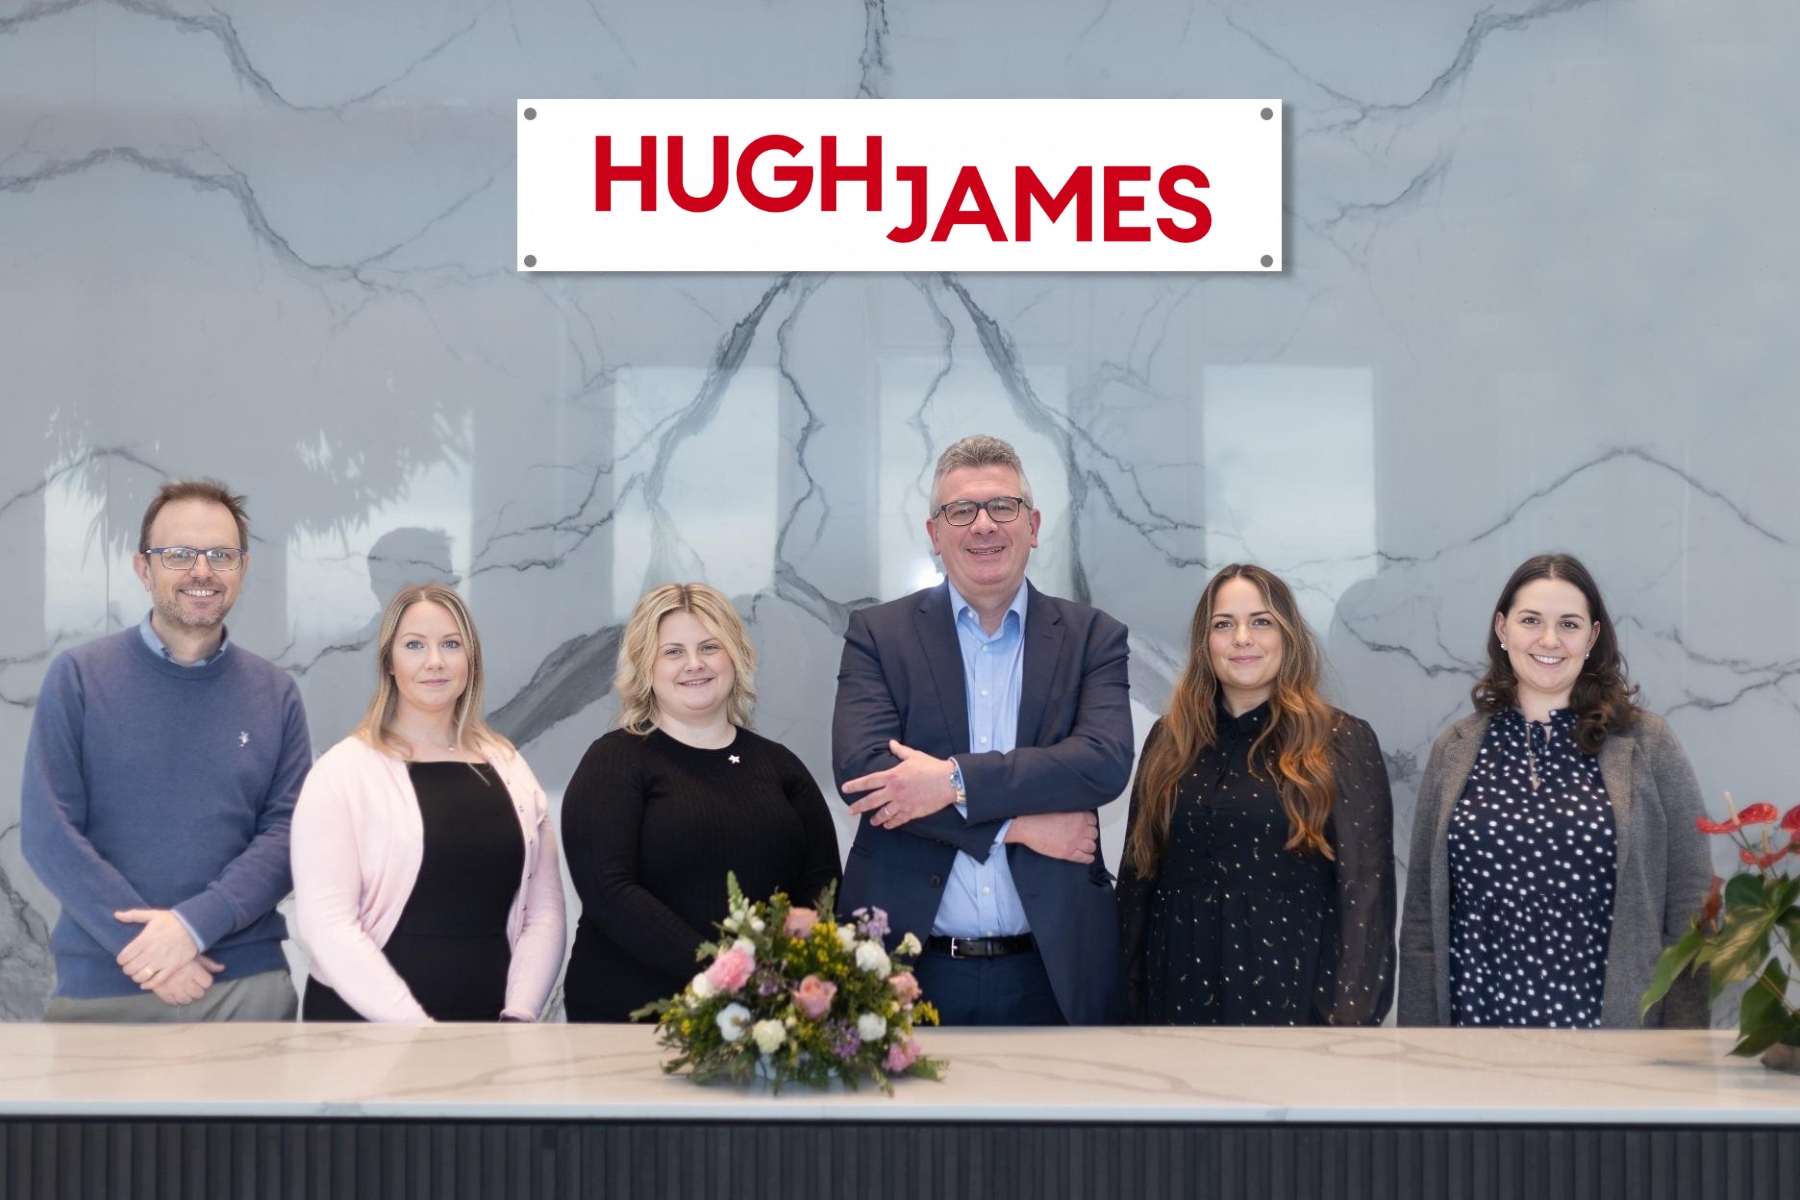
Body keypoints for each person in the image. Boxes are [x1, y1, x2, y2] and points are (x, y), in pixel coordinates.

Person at [832, 434, 1134, 1026]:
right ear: (935, 534)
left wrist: (949, 781)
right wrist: (1016, 826)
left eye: (1002, 507)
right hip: (906, 969)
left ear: (1033, 524)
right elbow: (867, 774)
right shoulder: (879, 635)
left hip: (1053, 970)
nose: (983, 526)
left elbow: (1101, 760)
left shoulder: (1093, 637)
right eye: (960, 511)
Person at [22, 478, 309, 1021]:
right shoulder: (79, 678)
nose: (201, 571)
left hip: (244, 988)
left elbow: (288, 837)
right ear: (142, 567)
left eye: (220, 555)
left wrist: (192, 927)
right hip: (105, 984)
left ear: (242, 570)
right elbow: (47, 832)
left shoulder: (276, 693)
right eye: (178, 554)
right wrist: (150, 951)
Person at [1399, 553, 1712, 1028]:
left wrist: (1683, 1047)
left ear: (1593, 636)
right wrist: (1419, 1047)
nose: (1549, 640)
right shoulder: (1455, 749)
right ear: (1502, 630)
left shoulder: (1648, 744)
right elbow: (1422, 917)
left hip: (1613, 1043)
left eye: (1568, 623)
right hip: (1474, 1037)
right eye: (1531, 621)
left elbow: (1691, 909)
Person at [1117, 565, 1395, 1026]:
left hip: (1293, 1002)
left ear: (1288, 636)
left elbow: (1366, 899)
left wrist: (1349, 1030)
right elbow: (1136, 888)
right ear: (1205, 644)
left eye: (1261, 621)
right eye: (1223, 624)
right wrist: (1128, 1012)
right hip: (1176, 1001)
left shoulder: (1341, 740)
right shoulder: (1169, 740)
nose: (1242, 638)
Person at [560, 582, 842, 1022]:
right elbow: (609, 891)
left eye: (709, 647)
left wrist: (782, 976)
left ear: (735, 655)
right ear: (645, 666)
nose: (694, 664)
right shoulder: (615, 760)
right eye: (672, 652)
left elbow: (823, 886)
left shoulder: (781, 766)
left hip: (764, 1016)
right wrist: (727, 972)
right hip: (635, 1016)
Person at [290, 583, 564, 1022]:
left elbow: (543, 913)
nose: (434, 661)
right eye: (414, 645)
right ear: (389, 663)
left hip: (491, 1029)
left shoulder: (511, 767)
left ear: (470, 660)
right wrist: (416, 1030)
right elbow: (326, 924)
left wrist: (520, 1014)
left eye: (450, 644)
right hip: (365, 1033)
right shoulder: (342, 773)